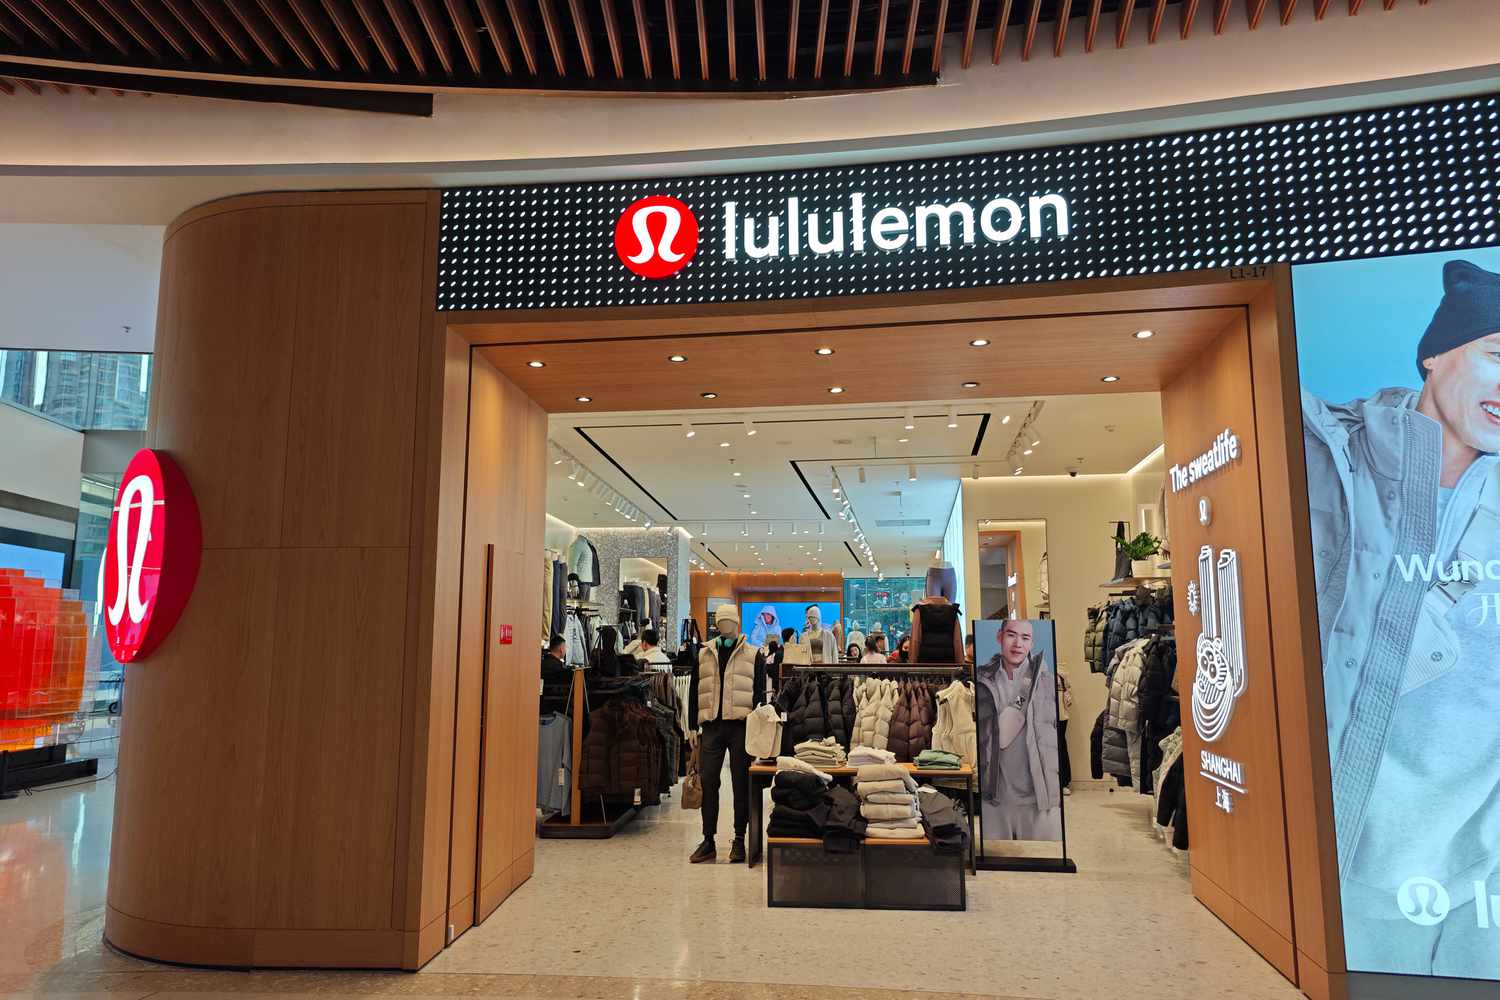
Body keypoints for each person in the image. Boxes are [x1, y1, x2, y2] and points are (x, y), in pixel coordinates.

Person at [1304, 258, 1500, 978]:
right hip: (1347, 855)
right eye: (1496, 356)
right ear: (1436, 353)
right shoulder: (1325, 454)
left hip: (1477, 876)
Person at [687, 606, 767, 864]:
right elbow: (694, 691)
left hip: (741, 727)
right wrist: (692, 725)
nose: (724, 625)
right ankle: (708, 839)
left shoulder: (754, 655)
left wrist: (757, 730)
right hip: (711, 725)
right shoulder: (704, 653)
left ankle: (740, 839)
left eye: (728, 621)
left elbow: (758, 696)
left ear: (737, 623)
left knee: (741, 783)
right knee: (709, 781)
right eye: (720, 622)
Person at [975, 620, 1061, 840]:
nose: (1018, 644)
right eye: (1011, 635)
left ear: (1032, 643)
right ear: (999, 637)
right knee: (997, 861)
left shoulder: (1047, 682)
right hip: (994, 798)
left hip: (1040, 799)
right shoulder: (981, 681)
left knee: (1044, 864)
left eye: (1025, 638)